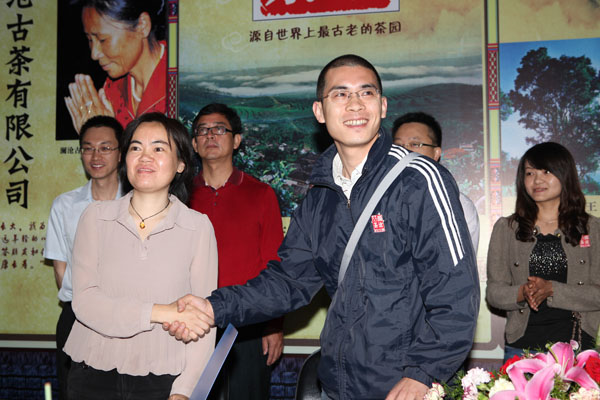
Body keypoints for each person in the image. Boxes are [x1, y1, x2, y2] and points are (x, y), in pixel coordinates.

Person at [167, 54, 480, 400]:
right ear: (319, 111)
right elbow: (287, 281)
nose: (355, 104)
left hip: (405, 387)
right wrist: (214, 307)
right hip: (337, 385)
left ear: (382, 106)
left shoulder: (418, 180)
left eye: (366, 92)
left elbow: (456, 295)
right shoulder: (319, 197)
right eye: (340, 94)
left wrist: (422, 374)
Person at [63, 112, 217, 400]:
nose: (145, 157)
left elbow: (202, 318)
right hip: (92, 374)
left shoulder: (197, 227)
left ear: (181, 163)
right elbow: (84, 302)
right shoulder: (96, 218)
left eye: (158, 148)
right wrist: (161, 311)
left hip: (164, 379)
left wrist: (185, 390)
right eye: (136, 147)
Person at [189, 103, 284, 399]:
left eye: (219, 129)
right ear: (193, 143)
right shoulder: (180, 196)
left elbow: (274, 265)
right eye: (202, 130)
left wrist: (274, 325)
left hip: (248, 323)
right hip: (190, 322)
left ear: (236, 140)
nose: (210, 135)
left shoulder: (261, 194)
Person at [486, 142, 600, 361]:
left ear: (565, 174)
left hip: (576, 351)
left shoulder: (593, 229)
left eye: (546, 171)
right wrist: (523, 292)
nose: (537, 180)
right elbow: (494, 293)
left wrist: (552, 289)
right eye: (530, 173)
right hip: (521, 349)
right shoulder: (507, 228)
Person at [44, 115, 123, 400]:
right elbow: (60, 269)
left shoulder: (138, 203)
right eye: (88, 148)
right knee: (75, 392)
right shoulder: (65, 205)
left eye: (105, 148)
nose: (95, 156)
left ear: (121, 153)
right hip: (77, 317)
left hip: (125, 318)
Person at [64, 0, 167, 133]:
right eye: (90, 40)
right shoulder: (111, 90)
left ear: (142, 25)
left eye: (102, 40)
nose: (94, 54)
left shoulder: (179, 82)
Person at [392, 111, 480, 252]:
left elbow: (459, 262)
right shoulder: (379, 201)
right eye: (398, 146)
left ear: (436, 153)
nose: (404, 152)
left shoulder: (459, 205)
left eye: (414, 144)